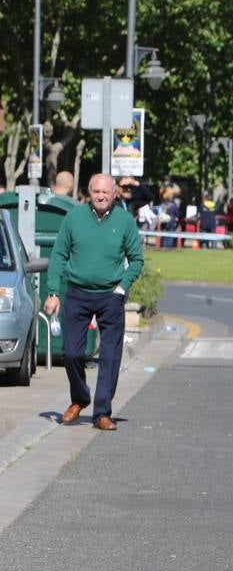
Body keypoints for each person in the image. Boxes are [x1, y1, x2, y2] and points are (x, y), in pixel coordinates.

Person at [43, 173, 144, 432]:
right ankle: (80, 399)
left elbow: (137, 260)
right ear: (89, 193)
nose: (100, 196)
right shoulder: (75, 217)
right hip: (77, 293)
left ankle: (102, 413)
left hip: (111, 295)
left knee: (110, 356)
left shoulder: (124, 221)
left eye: (105, 192)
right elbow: (58, 256)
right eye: (96, 192)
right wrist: (54, 292)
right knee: (72, 353)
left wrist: (121, 288)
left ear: (114, 195)